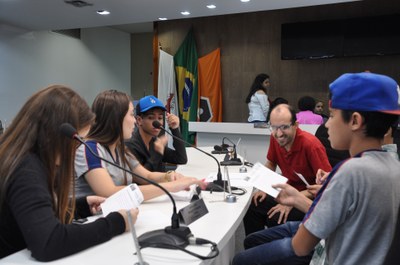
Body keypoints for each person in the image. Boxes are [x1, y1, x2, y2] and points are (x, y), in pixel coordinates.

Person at [0, 85, 138, 261]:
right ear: (56, 135)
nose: (76, 149)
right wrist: (116, 222)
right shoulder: (26, 169)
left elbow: (34, 215)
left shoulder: (29, 160)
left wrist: (80, 207)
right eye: (76, 143)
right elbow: (48, 242)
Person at [275, 72, 400, 264]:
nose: (327, 124)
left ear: (355, 121)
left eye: (332, 116)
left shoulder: (350, 172)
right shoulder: (394, 165)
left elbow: (301, 246)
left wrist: (314, 196)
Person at [74, 90, 203, 199]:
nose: (134, 122)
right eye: (131, 115)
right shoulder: (89, 149)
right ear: (116, 118)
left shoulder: (120, 149)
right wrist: (172, 186)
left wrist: (170, 176)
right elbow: (109, 192)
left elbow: (146, 176)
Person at [243, 104, 331, 235]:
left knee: (275, 217)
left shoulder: (311, 145)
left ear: (295, 125)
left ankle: (272, 252)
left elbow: (326, 186)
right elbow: (271, 163)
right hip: (287, 191)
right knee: (253, 205)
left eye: (284, 127)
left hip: (309, 197)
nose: (279, 133)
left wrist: (293, 200)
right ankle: (253, 247)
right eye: (274, 127)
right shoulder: (275, 138)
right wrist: (263, 187)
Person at [125, 95, 187, 172]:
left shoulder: (154, 142)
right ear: (139, 120)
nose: (157, 123)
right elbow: (142, 178)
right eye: (151, 118)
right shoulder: (131, 146)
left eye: (160, 118)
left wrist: (175, 129)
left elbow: (181, 159)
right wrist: (157, 153)